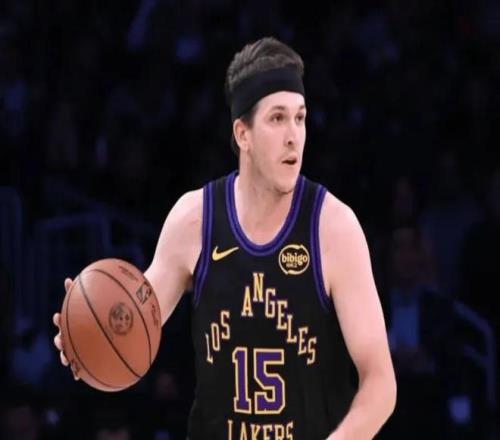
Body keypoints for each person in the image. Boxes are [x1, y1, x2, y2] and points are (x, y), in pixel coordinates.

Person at [53, 36, 396, 439]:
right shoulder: (194, 220)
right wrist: (86, 330)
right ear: (242, 134)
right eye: (277, 118)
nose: (294, 136)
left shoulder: (333, 228)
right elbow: (136, 323)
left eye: (300, 118)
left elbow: (380, 383)